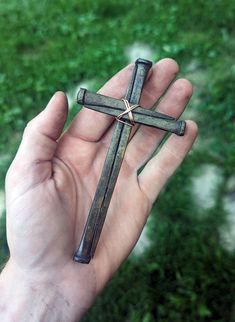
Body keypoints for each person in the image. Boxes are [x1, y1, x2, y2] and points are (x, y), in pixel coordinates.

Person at [0, 58, 197, 321]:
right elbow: (90, 100)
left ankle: (83, 252)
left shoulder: (125, 110)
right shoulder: (123, 109)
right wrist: (37, 281)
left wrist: (36, 289)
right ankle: (82, 252)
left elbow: (90, 99)